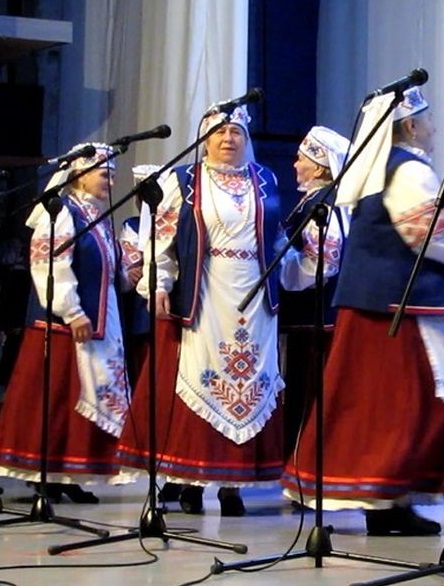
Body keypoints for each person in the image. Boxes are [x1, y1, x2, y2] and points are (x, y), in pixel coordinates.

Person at [283, 87, 444, 535]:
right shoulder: (409, 170)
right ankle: (385, 496)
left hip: (375, 303)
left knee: (379, 405)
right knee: (409, 402)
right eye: (427, 120)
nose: (433, 128)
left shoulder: (378, 169)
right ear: (410, 125)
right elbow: (428, 233)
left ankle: (387, 502)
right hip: (400, 306)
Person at [115, 104, 286, 517]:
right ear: (204, 140)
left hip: (255, 296)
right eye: (220, 132)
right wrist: (159, 283)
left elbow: (277, 237)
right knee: (200, 379)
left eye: (237, 132)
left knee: (248, 382)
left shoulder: (265, 179)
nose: (228, 139)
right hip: (206, 291)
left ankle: (233, 486)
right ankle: (189, 480)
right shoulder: (184, 180)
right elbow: (162, 240)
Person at [0, 143, 130, 503]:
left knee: (77, 396)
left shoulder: (98, 216)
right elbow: (49, 264)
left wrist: (129, 272)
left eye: (113, 175)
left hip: (101, 319)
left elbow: (106, 267)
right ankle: (46, 473)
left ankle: (69, 473)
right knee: (57, 398)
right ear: (79, 175)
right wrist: (71, 310)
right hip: (64, 325)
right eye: (104, 174)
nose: (111, 181)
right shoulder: (60, 212)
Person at [277, 125, 350, 464]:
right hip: (310, 318)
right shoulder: (315, 201)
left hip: (315, 317)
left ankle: (306, 464)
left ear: (319, 167)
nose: (295, 165)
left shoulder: (324, 205)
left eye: (301, 159)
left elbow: (323, 263)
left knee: (308, 392)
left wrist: (283, 264)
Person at [117, 164, 158, 386]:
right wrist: (132, 270)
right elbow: (129, 266)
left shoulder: (178, 224)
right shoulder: (131, 226)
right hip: (141, 306)